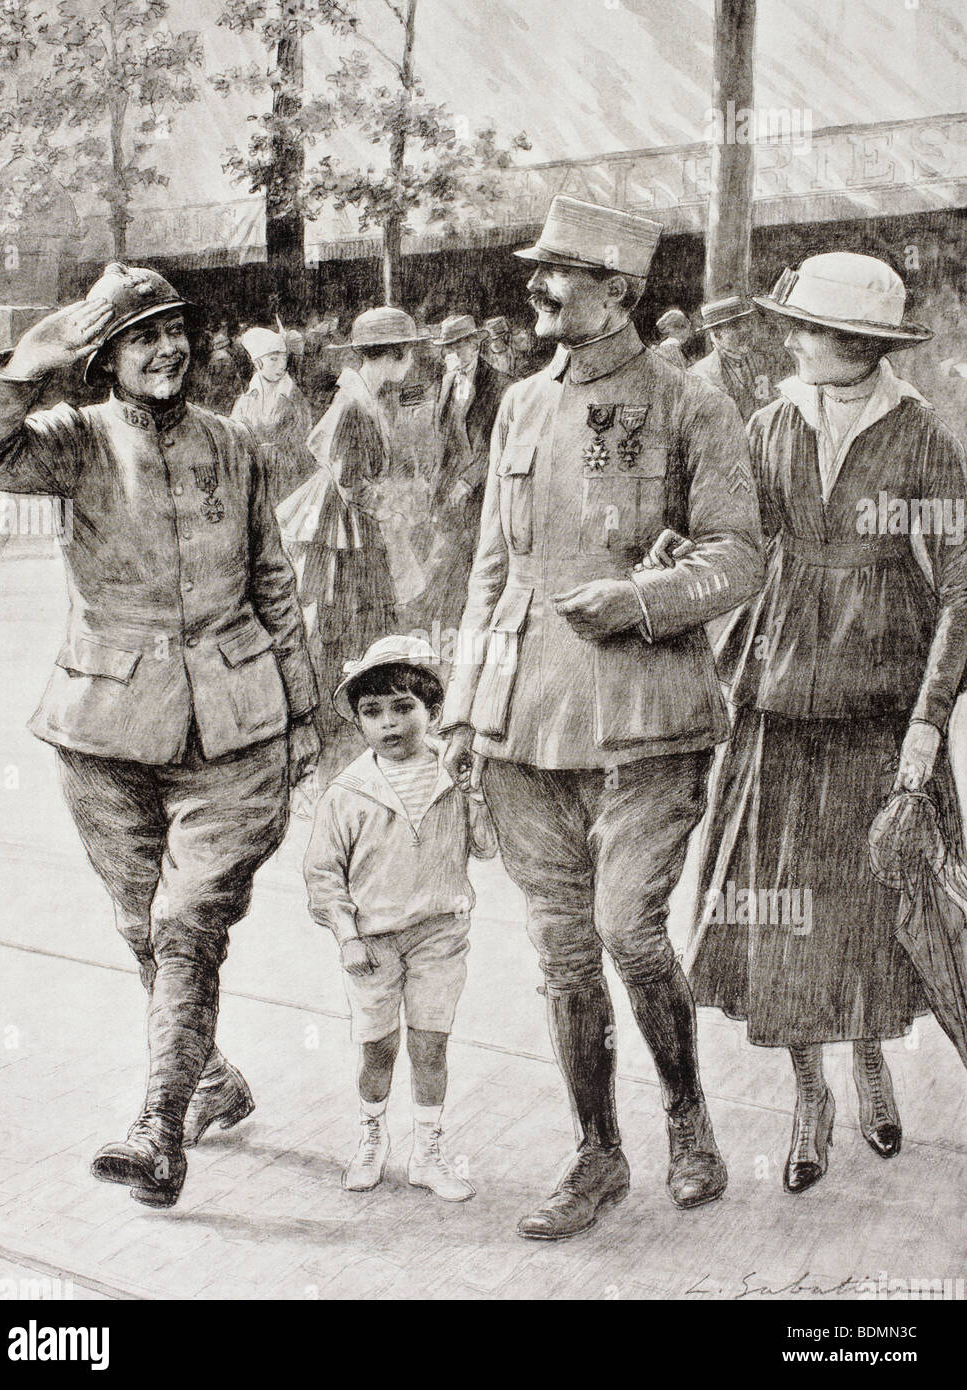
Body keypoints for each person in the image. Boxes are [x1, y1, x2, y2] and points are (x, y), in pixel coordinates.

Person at [0, 262, 321, 1208]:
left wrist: (304, 714)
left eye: (174, 331)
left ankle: (157, 1130)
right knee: (140, 926)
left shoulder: (234, 443)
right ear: (104, 357)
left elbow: (273, 580)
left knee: (183, 920)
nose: (165, 348)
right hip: (105, 729)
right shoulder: (73, 441)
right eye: (138, 336)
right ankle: (207, 1080)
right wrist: (32, 358)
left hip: (237, 729)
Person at [442, 195, 764, 1239]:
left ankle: (685, 1112)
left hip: (646, 722)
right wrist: (462, 708)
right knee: (560, 954)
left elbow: (739, 555)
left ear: (620, 289)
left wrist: (637, 601)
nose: (537, 286)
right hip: (525, 728)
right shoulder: (520, 406)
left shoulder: (691, 403)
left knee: (627, 931)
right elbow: (492, 568)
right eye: (537, 269)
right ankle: (595, 1153)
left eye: (562, 271)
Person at [685, 252, 967, 1194]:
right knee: (783, 913)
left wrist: (928, 723)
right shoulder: (767, 423)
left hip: (881, 706)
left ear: (855, 343)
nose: (791, 338)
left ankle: (871, 1063)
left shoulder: (920, 435)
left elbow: (963, 587)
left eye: (805, 326)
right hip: (777, 696)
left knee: (877, 910)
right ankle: (808, 1092)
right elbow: (744, 541)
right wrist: (688, 550)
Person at [304, 636, 497, 1199]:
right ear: (359, 723)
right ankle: (370, 1139)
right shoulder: (347, 790)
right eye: (373, 712)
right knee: (377, 1047)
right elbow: (323, 875)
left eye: (403, 707)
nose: (389, 723)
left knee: (431, 1044)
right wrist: (346, 936)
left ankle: (428, 1153)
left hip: (441, 933)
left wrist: (477, 794)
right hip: (373, 942)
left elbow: (485, 847)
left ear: (432, 712)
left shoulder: (453, 776)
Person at [277, 307, 426, 786]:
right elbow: (349, 482)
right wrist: (389, 508)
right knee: (340, 623)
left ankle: (352, 736)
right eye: (408, 357)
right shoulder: (354, 403)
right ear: (396, 357)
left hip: (354, 523)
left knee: (360, 623)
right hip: (341, 529)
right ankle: (329, 747)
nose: (410, 367)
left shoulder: (365, 396)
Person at [426, 314, 512, 629]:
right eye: (447, 347)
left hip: (481, 493)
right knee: (444, 568)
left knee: (482, 566)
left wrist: (466, 481)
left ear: (475, 344)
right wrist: (436, 480)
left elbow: (495, 446)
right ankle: (447, 629)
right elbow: (441, 439)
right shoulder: (446, 383)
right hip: (447, 493)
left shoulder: (500, 385)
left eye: (458, 346)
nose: (451, 353)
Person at [231, 326, 315, 510]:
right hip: (254, 473)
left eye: (284, 358)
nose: (281, 365)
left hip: (289, 474)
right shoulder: (246, 400)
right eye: (273, 359)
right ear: (257, 363)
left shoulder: (293, 397)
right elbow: (234, 437)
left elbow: (305, 436)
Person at [690, 294, 771, 422]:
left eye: (746, 323)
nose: (745, 330)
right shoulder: (700, 374)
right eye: (735, 326)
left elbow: (765, 400)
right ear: (716, 334)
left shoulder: (760, 361)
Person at [197, 325, 244, 415]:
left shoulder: (215, 357)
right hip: (223, 394)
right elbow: (231, 379)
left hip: (216, 393)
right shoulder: (223, 358)